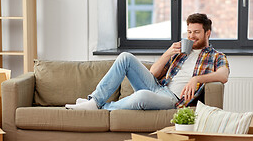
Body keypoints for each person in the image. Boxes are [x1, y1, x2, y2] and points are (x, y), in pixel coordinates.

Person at [65, 13, 229, 111]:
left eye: (197, 32)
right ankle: (95, 101)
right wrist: (168, 53)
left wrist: (197, 79)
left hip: (173, 99)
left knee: (142, 96)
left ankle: (100, 107)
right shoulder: (181, 52)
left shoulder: (216, 56)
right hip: (159, 87)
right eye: (189, 32)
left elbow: (223, 75)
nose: (191, 36)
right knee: (125, 57)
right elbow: (153, 74)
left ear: (208, 33)